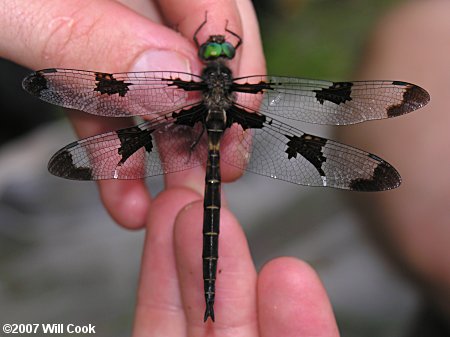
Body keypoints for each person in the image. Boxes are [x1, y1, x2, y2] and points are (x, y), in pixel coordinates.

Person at [0, 1, 340, 336]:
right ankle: (208, 296)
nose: (217, 47)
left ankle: (209, 297)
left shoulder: (190, 85)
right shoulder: (235, 85)